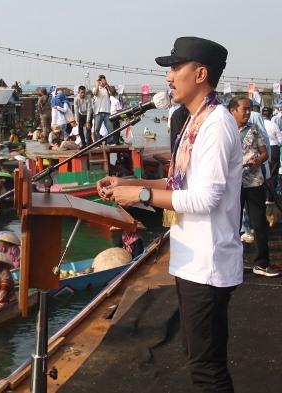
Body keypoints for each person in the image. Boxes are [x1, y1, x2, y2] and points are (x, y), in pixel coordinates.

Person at [97, 37, 241, 392]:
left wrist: (142, 195)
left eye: (176, 68)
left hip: (207, 264)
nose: (169, 77)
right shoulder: (195, 121)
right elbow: (179, 182)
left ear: (201, 73)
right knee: (199, 359)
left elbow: (205, 198)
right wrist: (130, 181)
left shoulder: (216, 125)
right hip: (190, 258)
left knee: (208, 370)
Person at [228, 97, 278, 277]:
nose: (248, 112)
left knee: (259, 224)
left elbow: (264, 153)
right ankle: (233, 264)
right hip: (233, 184)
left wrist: (259, 160)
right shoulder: (225, 130)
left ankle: (262, 263)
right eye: (245, 109)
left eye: (249, 109)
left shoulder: (255, 129)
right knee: (232, 225)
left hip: (254, 182)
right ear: (232, 111)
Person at [261, 107, 282, 203]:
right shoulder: (273, 125)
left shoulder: (258, 124)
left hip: (261, 149)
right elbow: (280, 140)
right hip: (273, 148)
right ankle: (270, 197)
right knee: (273, 173)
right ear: (270, 115)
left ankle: (263, 195)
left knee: (262, 172)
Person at [92, 75, 115, 144]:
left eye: (102, 80)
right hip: (98, 112)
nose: (101, 82)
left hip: (107, 111)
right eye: (100, 80)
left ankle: (110, 142)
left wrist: (106, 84)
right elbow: (95, 93)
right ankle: (97, 143)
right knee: (96, 129)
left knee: (110, 128)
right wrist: (98, 84)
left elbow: (113, 92)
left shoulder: (107, 88)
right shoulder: (95, 88)